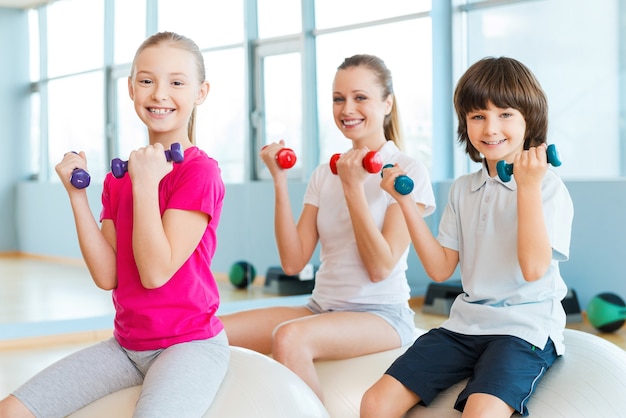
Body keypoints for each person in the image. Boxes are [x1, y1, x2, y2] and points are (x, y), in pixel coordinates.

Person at [0, 31, 229, 418]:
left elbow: (156, 272)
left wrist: (145, 184)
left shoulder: (199, 172)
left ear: (201, 92)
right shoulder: (121, 178)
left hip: (189, 345)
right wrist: (77, 197)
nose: (159, 94)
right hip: (126, 345)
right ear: (131, 88)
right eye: (146, 80)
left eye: (176, 82)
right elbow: (108, 275)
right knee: (13, 410)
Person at [361, 56, 574, 418]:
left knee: (480, 413)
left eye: (505, 114)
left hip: (525, 329)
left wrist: (527, 188)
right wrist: (405, 203)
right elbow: (440, 269)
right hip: (465, 324)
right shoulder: (464, 189)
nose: (491, 128)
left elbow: (534, 267)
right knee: (375, 403)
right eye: (478, 116)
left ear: (530, 120)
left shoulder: (547, 188)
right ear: (466, 123)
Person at [220, 54, 436, 401]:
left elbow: (381, 268)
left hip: (382, 315)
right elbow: (293, 262)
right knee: (214, 330)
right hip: (320, 307)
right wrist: (279, 181)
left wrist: (354, 188)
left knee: (289, 337)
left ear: (387, 104)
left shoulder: (406, 170)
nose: (347, 108)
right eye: (339, 99)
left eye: (360, 97)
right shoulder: (325, 174)